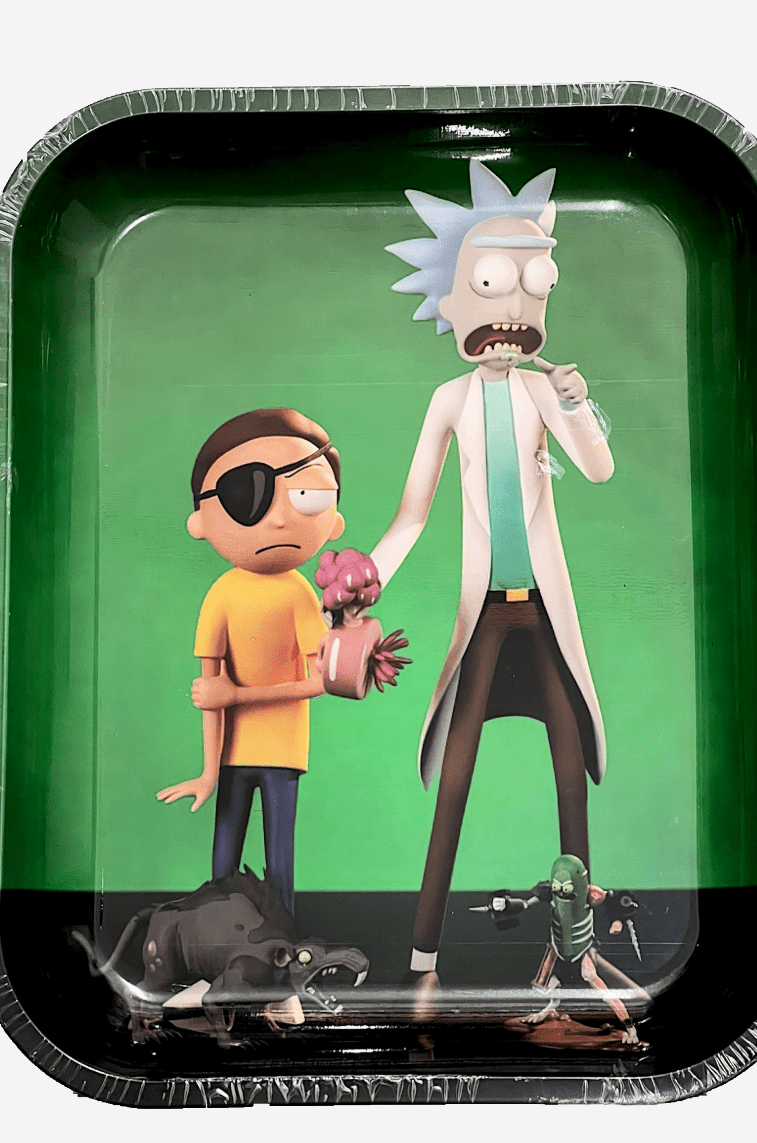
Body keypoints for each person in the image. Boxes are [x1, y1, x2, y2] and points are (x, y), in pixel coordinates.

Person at [371, 159, 615, 1002]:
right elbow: (411, 515)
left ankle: (579, 955)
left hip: (545, 616)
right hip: (484, 618)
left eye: (530, 287)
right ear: (454, 302)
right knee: (456, 780)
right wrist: (365, 581)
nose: (510, 315)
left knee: (570, 773)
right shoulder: (449, 400)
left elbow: (597, 470)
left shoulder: (542, 393)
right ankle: (423, 962)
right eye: (490, 285)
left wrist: (576, 404)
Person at [156, 408, 346, 915]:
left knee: (280, 862)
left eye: (306, 495)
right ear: (200, 522)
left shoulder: (299, 593)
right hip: (233, 754)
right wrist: (207, 772)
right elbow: (209, 694)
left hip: (284, 749)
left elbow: (320, 681)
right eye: (248, 494)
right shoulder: (222, 594)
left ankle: (281, 942)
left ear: (334, 520)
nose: (280, 517)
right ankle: (218, 941)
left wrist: (238, 694)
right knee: (223, 863)